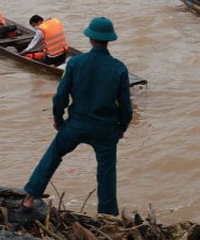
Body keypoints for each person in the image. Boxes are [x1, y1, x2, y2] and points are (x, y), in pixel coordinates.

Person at [21, 17, 133, 215]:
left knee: (54, 155)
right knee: (106, 172)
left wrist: (58, 119)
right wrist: (122, 128)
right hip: (105, 130)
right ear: (109, 40)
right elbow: (125, 106)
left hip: (76, 126)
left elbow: (61, 96)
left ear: (90, 39)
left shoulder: (75, 63)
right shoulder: (119, 69)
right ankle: (108, 215)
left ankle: (30, 198)